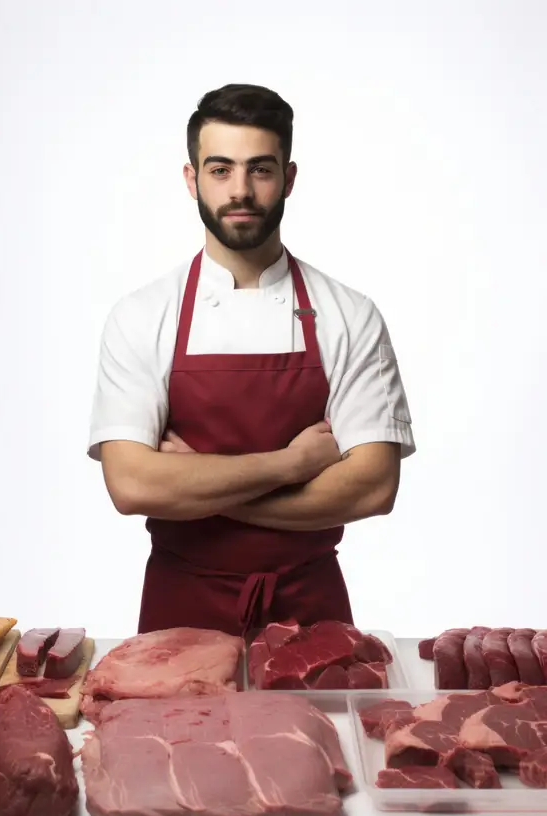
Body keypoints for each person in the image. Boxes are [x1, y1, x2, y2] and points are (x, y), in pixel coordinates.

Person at [87, 83, 416, 637]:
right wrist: (292, 465)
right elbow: (133, 487)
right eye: (220, 170)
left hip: (312, 620)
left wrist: (195, 485)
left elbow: (373, 486)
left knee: (328, 728)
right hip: (178, 618)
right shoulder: (142, 316)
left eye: (260, 169)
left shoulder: (349, 315)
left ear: (288, 178)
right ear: (192, 180)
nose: (240, 190)